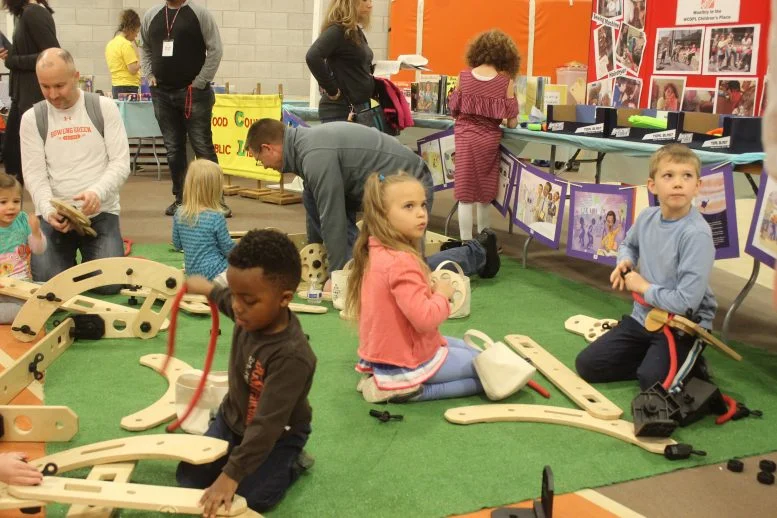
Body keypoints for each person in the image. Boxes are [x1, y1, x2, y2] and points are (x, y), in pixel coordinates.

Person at [244, 119, 501, 278]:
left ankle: (478, 253)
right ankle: (358, 264)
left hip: (409, 186)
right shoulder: (306, 150)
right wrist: (318, 256)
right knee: (311, 192)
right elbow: (320, 210)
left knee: (406, 271)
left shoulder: (314, 154)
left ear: (269, 148)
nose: (264, 166)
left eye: (260, 159)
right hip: (378, 190)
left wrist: (336, 276)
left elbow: (332, 215)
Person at [175, 229, 316, 515]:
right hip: (232, 420)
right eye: (235, 294)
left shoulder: (292, 357)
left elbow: (267, 425)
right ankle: (233, 449)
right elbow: (226, 298)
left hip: (278, 435)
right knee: (188, 478)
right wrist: (206, 288)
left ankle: (294, 462)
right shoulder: (248, 312)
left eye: (249, 300)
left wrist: (230, 476)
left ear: (284, 298)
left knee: (252, 498)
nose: (238, 307)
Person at [575, 144, 716, 390]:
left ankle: (689, 363)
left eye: (687, 176)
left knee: (652, 383)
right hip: (644, 318)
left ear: (697, 186)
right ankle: (652, 362)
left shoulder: (696, 234)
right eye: (668, 176)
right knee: (588, 365)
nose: (678, 183)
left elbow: (687, 303)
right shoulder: (647, 217)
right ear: (652, 185)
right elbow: (628, 245)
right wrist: (625, 261)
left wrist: (643, 286)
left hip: (681, 324)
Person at [346, 173, 484, 403]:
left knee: (473, 351)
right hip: (404, 361)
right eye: (408, 206)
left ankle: (383, 381)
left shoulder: (377, 250)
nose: (421, 213)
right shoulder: (401, 261)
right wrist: (442, 295)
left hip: (385, 355)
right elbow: (425, 320)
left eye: (422, 205)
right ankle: (402, 389)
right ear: (382, 216)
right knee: (486, 371)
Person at [20, 49, 131, 292]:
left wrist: (97, 193)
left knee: (109, 286)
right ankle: (66, 267)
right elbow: (34, 175)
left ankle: (82, 267)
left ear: (76, 77)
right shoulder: (32, 118)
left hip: (101, 213)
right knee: (47, 284)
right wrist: (49, 211)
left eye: (59, 85)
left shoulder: (104, 108)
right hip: (54, 216)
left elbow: (121, 164)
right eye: (45, 87)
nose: (53, 94)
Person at [140, 0, 231, 218]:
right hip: (161, 93)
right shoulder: (151, 16)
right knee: (173, 149)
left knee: (203, 147)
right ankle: (181, 199)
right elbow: (144, 47)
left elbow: (215, 49)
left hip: (194, 94)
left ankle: (217, 201)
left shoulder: (200, 14)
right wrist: (149, 75)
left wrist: (200, 81)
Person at [448, 29, 519, 241]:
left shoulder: (463, 77)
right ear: (506, 56)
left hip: (465, 138)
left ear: (477, 52)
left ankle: (466, 243)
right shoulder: (506, 83)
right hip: (488, 141)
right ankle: (485, 241)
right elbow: (513, 123)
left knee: (464, 194)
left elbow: (454, 111)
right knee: (485, 193)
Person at [0, 0, 59, 187]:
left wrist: (12, 60)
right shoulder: (29, 13)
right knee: (12, 155)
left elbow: (52, 54)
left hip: (32, 95)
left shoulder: (34, 13)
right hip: (22, 95)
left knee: (17, 155)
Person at [306, 0, 375, 124]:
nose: (370, 5)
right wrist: (332, 89)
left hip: (358, 108)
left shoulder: (355, 31)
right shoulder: (337, 31)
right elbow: (313, 56)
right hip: (340, 110)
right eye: (365, 0)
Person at [172, 159, 234, 285]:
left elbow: (177, 244)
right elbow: (228, 249)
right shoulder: (216, 217)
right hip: (216, 271)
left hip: (193, 272)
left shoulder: (179, 213)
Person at [0, 173, 46, 323]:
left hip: (23, 283)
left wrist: (36, 233)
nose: (11, 207)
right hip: (3, 288)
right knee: (29, 310)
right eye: (3, 202)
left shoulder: (22, 220)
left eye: (16, 201)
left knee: (50, 291)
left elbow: (39, 250)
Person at [105, 9, 141, 99]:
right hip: (128, 87)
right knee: (130, 113)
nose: (136, 36)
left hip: (116, 86)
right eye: (136, 31)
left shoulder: (111, 43)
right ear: (131, 28)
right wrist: (142, 60)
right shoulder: (126, 45)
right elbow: (133, 69)